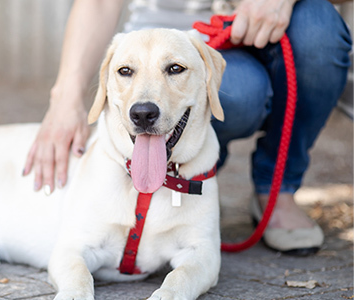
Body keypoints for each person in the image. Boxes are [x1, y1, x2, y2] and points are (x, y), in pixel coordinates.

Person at [22, 0, 352, 255]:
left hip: (280, 23)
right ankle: (188, 183)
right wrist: (64, 98)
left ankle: (277, 190)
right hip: (170, 39)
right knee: (239, 93)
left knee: (320, 28)